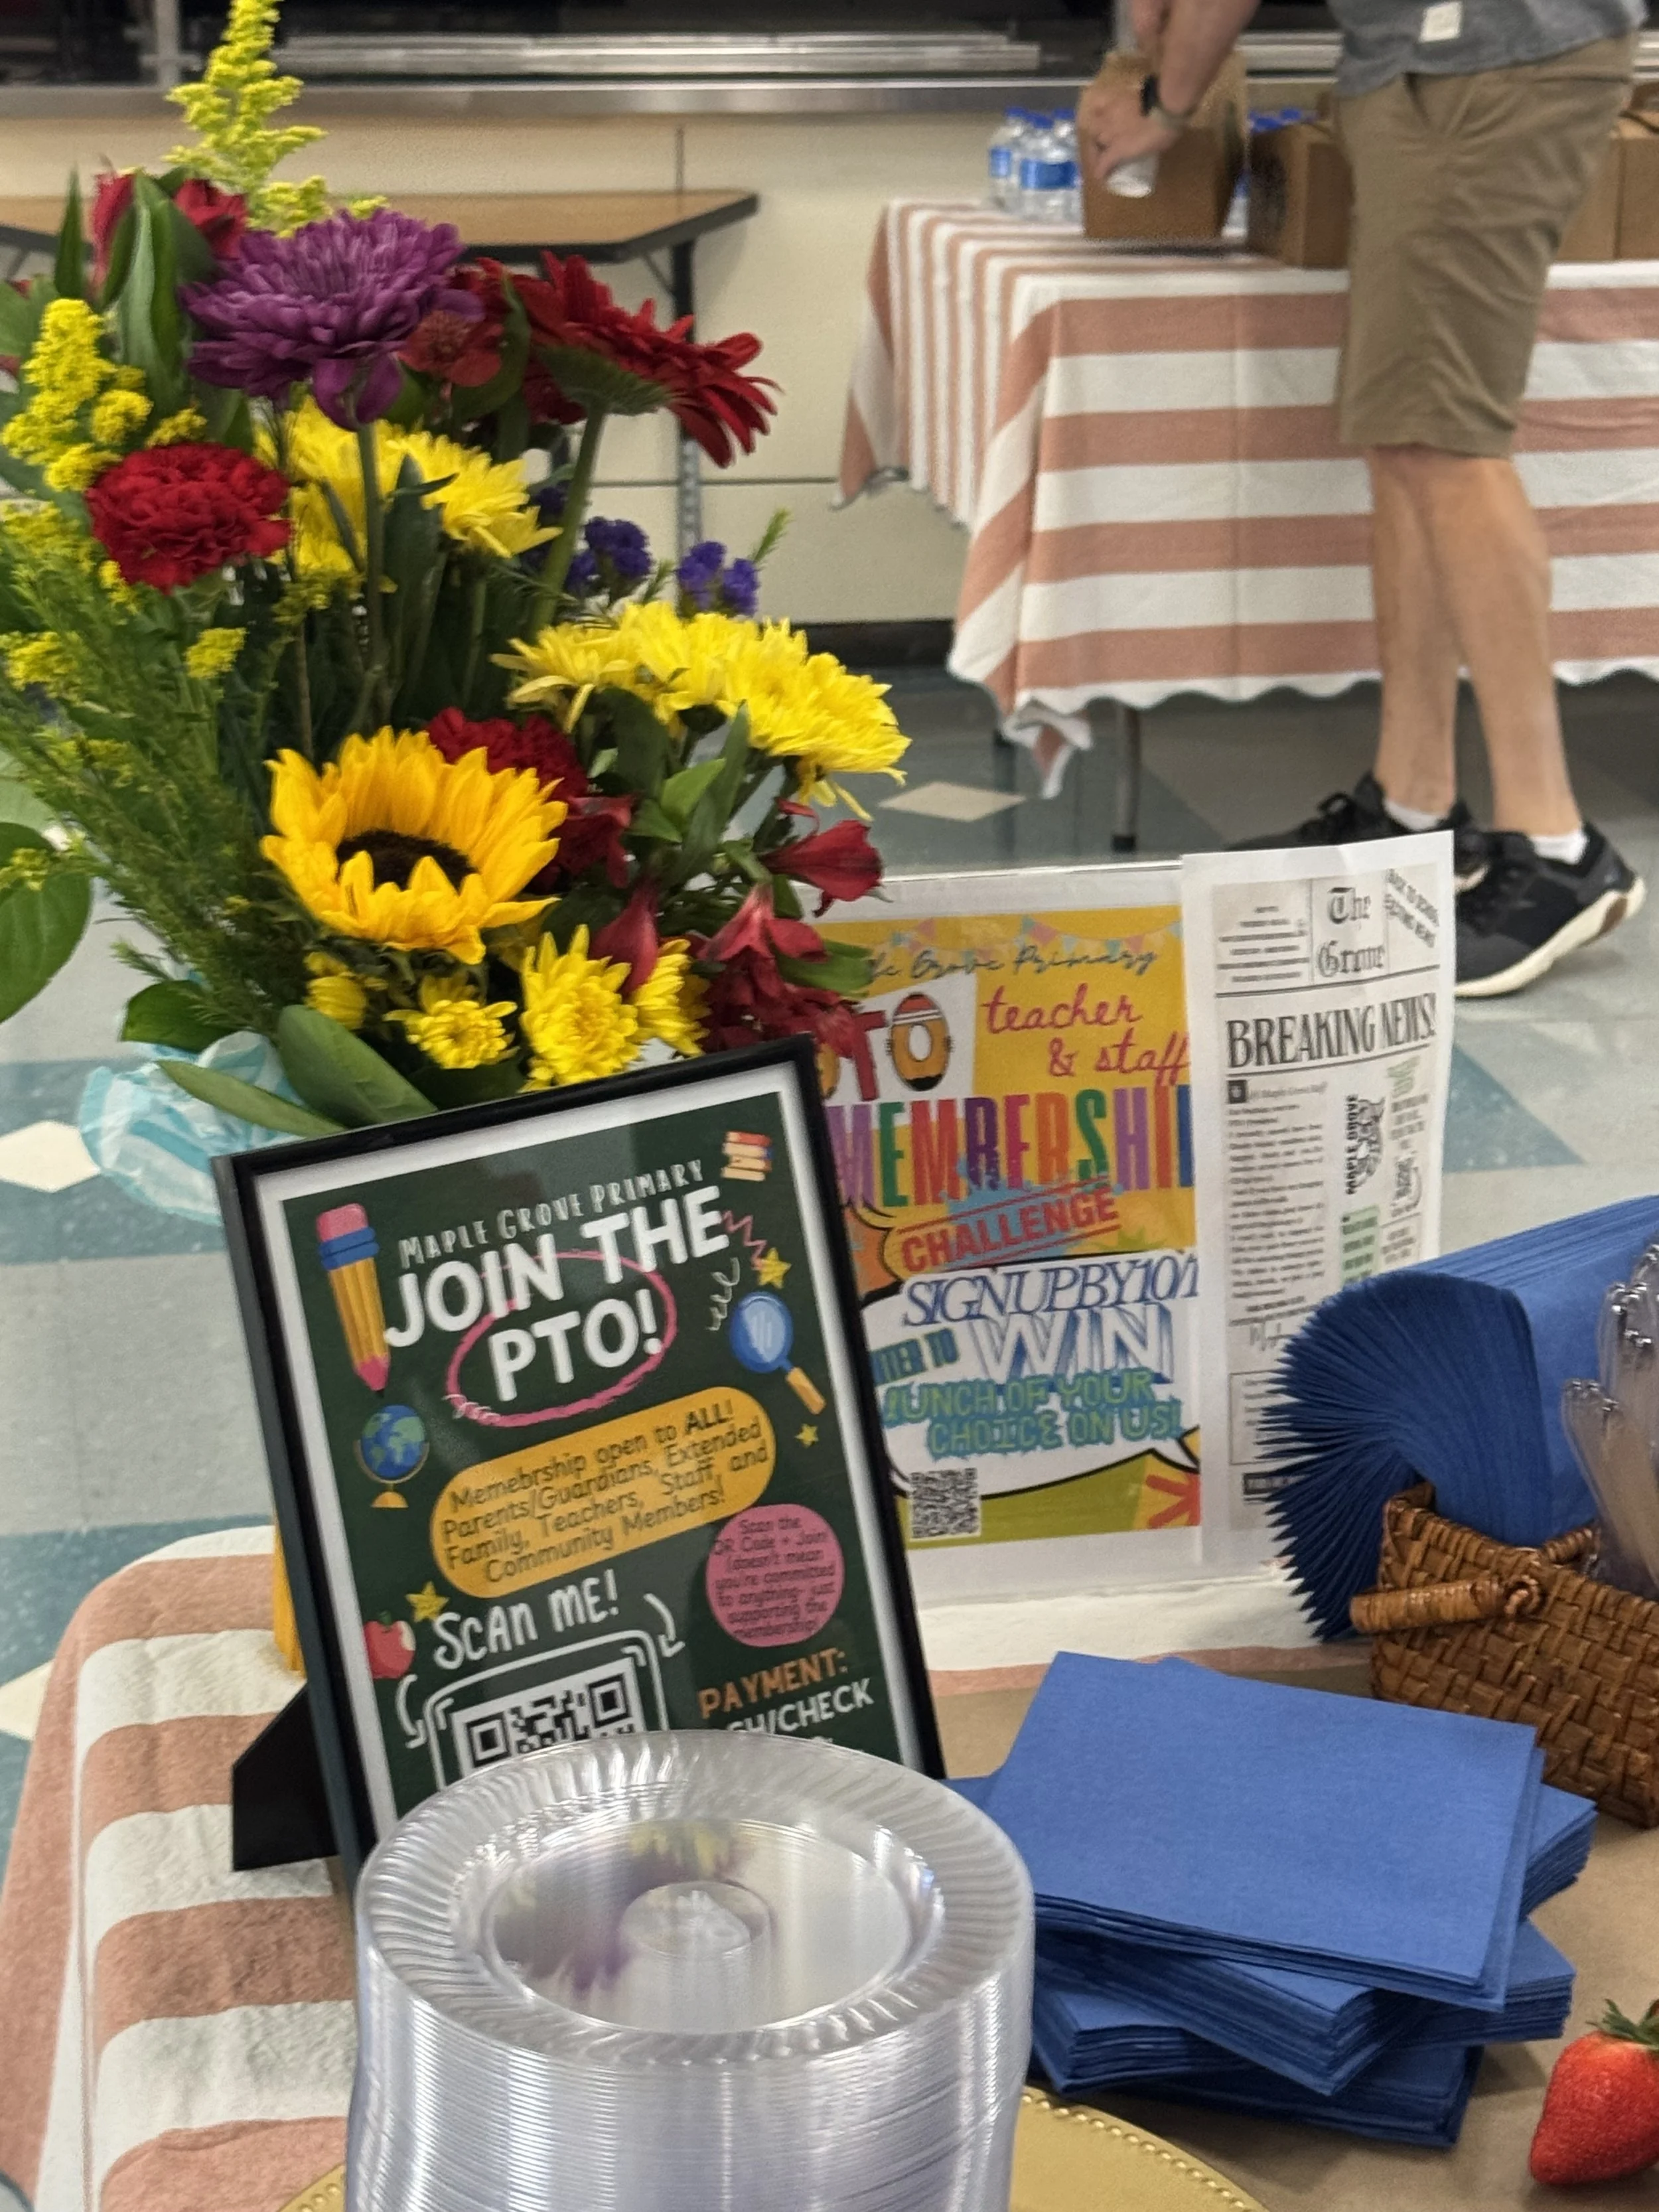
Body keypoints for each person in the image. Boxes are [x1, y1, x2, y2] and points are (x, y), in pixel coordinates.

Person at [1079, 0, 1646, 997]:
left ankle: (1556, 846)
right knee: (1403, 440)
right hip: (1426, 69)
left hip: (1485, 67)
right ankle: (1415, 810)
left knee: (1445, 439)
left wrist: (1167, 105)